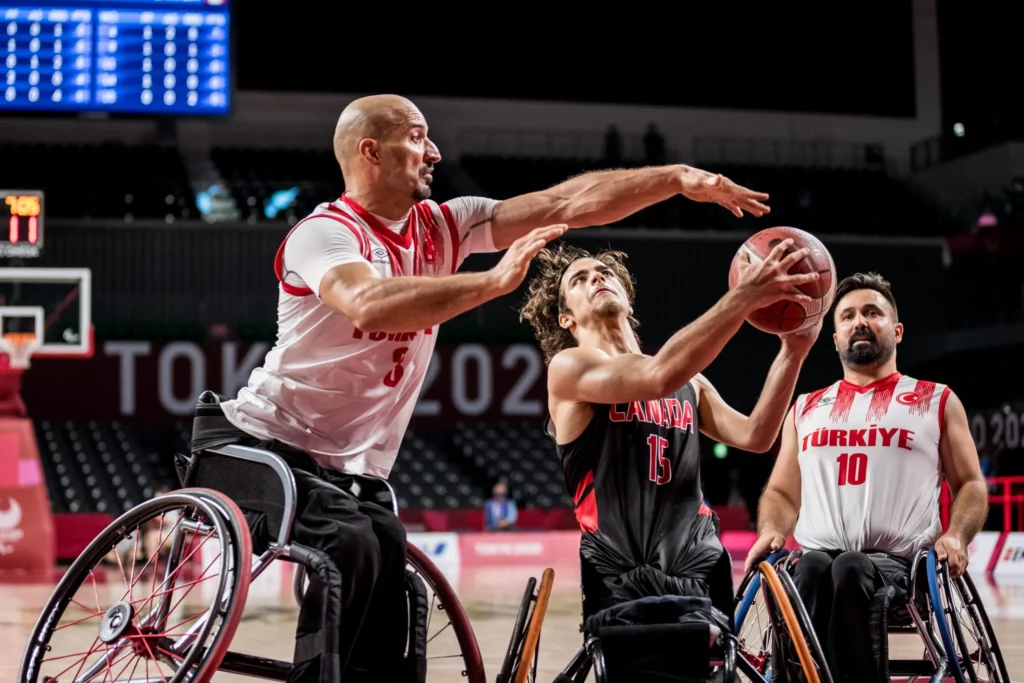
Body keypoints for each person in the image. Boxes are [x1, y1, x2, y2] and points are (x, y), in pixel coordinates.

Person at [210, 93, 775, 683]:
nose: (434, 151)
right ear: (371, 151)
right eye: (417, 136)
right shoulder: (324, 232)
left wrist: (676, 179)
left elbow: (567, 202)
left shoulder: (444, 225)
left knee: (389, 567)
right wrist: (494, 281)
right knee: (351, 546)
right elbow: (368, 303)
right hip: (263, 446)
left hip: (347, 472)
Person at [518, 238, 822, 626]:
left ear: (628, 302)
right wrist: (743, 297)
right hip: (620, 566)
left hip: (699, 558)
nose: (596, 278)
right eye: (579, 280)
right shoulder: (568, 367)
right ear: (566, 319)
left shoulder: (689, 381)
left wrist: (793, 352)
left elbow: (756, 435)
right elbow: (657, 376)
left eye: (605, 273)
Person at [745, 272, 989, 683]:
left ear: (896, 330)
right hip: (816, 560)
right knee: (809, 568)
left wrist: (956, 536)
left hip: (899, 567)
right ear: (836, 338)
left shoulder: (936, 398)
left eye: (872, 312)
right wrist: (771, 529)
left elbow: (971, 485)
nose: (860, 321)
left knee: (851, 566)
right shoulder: (806, 406)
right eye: (848, 316)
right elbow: (783, 492)